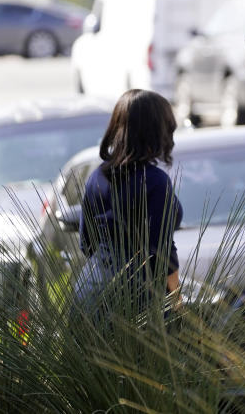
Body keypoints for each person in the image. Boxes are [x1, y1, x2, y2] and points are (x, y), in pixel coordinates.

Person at [73, 89, 182, 317]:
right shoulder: (155, 182)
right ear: (157, 131)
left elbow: (87, 243)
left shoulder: (97, 178)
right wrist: (177, 300)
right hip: (139, 301)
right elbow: (161, 252)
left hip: (90, 294)